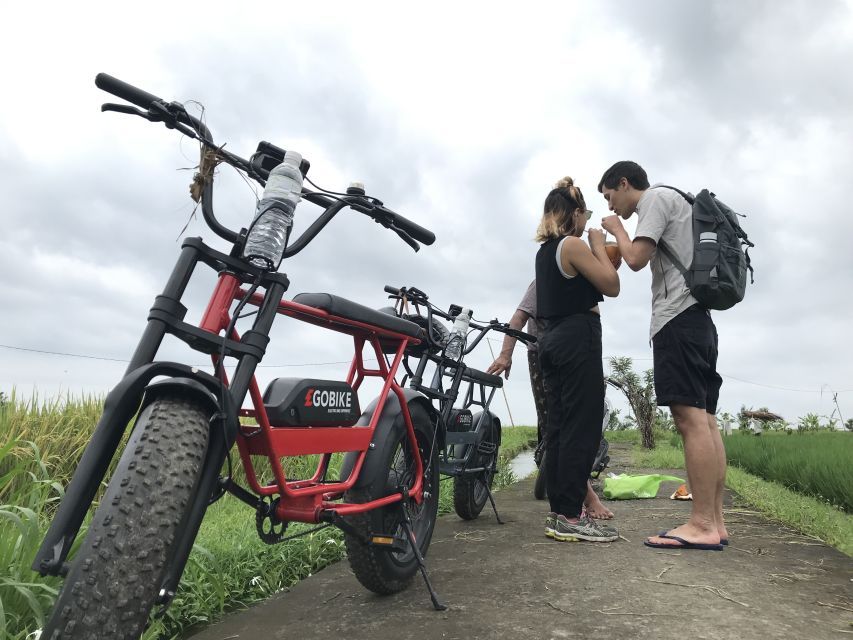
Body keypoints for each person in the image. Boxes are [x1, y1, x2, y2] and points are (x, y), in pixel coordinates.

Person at [598, 161, 727, 551]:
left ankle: (702, 523)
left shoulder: (654, 199)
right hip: (699, 320)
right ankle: (715, 522)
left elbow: (635, 259)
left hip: (678, 320)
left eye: (609, 196)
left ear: (624, 184)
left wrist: (617, 231)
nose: (611, 205)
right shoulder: (679, 201)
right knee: (706, 421)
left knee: (690, 421)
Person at [533, 177, 620, 542]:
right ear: (575, 214)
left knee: (559, 427)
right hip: (577, 336)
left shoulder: (544, 252)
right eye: (586, 213)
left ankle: (560, 512)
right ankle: (571, 515)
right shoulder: (572, 244)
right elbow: (611, 285)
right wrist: (598, 244)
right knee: (580, 427)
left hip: (549, 340)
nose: (589, 221)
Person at [486, 281, 614, 519]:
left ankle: (572, 497)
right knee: (559, 428)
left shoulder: (578, 282)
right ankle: (583, 500)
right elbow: (519, 317)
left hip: (570, 352)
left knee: (566, 427)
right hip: (546, 355)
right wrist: (505, 355)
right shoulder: (546, 278)